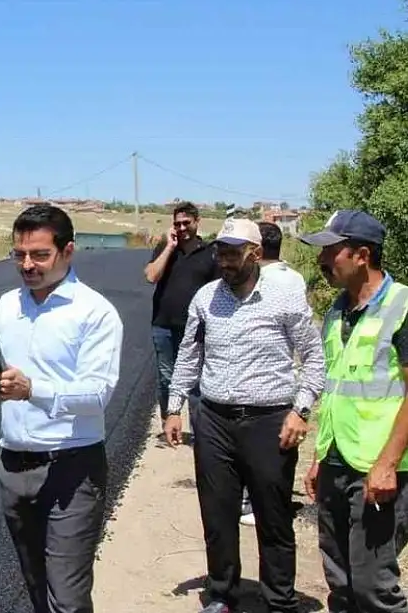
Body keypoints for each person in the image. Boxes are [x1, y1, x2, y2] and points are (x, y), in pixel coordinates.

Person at [163, 217, 325, 613]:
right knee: (217, 516)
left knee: (273, 520)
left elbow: (315, 358)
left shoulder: (283, 297)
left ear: (255, 254)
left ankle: (279, 601)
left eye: (234, 253)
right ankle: (221, 595)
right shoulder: (206, 298)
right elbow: (189, 353)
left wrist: (300, 410)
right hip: (215, 422)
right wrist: (174, 406)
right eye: (221, 252)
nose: (225, 261)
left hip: (270, 423)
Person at [0, 203, 124, 613]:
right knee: (35, 585)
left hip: (71, 471)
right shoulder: (6, 307)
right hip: (13, 466)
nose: (28, 265)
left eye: (40, 255)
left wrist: (33, 390)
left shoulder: (94, 312)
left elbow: (97, 394)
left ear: (68, 251)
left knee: (66, 596)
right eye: (20, 255)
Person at [299, 210, 408, 613]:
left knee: (372, 586)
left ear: (362, 254)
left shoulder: (403, 307)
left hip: (380, 469)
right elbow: (336, 391)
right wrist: (318, 458)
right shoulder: (336, 313)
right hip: (336, 462)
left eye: (331, 250)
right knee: (340, 579)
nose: (322, 260)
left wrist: (387, 463)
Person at [233, 221, 312, 528]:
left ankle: (250, 501)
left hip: (258, 378)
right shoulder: (294, 278)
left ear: (256, 250)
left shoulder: (256, 281)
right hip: (285, 374)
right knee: (280, 446)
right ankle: (271, 499)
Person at [144, 202, 221, 430]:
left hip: (196, 328)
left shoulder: (210, 253)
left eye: (186, 223)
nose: (182, 227)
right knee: (166, 379)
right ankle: (170, 424)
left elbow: (217, 292)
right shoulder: (165, 249)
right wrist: (169, 247)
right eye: (177, 223)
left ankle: (199, 431)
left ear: (197, 222)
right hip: (163, 325)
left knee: (196, 382)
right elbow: (151, 276)